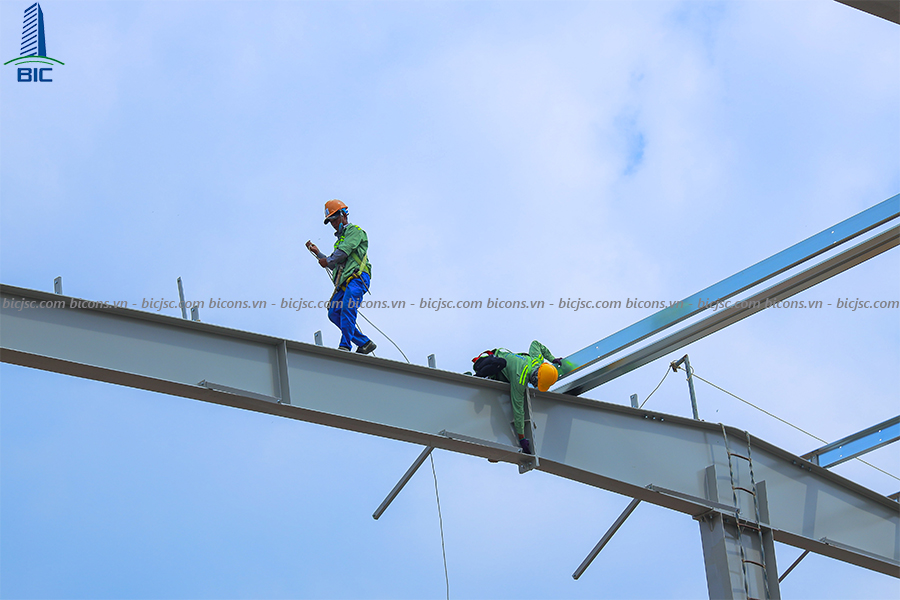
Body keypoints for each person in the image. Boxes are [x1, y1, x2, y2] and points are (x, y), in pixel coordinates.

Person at [306, 200, 376, 354]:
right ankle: (364, 342)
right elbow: (333, 264)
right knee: (333, 312)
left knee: (347, 308)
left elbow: (342, 253)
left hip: (357, 278)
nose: (333, 223)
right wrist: (318, 253)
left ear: (343, 215)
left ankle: (345, 345)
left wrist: (328, 260)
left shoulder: (354, 231)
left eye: (335, 219)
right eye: (331, 221)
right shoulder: (340, 241)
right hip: (345, 281)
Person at [476, 341, 570, 454]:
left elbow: (536, 344)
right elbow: (518, 410)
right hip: (487, 362)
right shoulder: (520, 379)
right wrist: (521, 438)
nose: (535, 385)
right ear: (536, 376)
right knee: (500, 363)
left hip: (498, 367)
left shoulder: (537, 360)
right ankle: (478, 378)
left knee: (501, 365)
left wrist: (552, 359)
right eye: (537, 383)